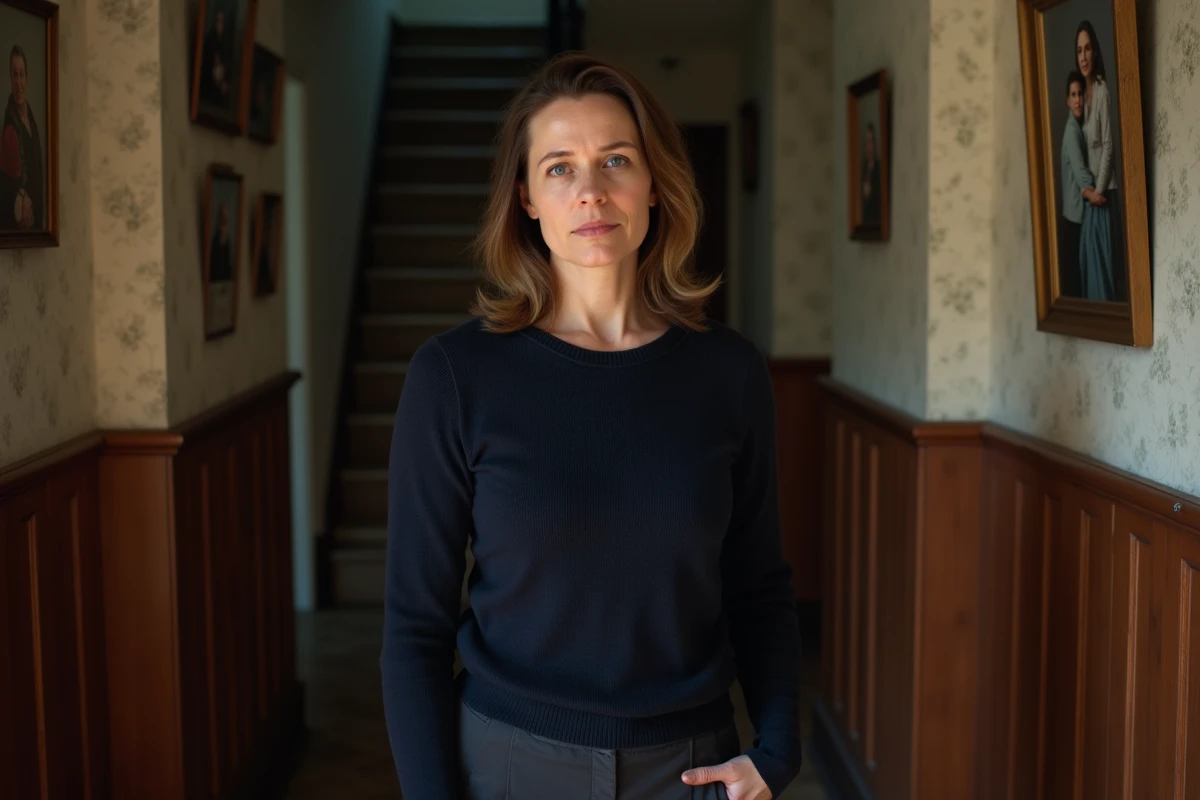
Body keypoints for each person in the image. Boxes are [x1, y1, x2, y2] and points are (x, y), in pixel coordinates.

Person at [382, 53, 802, 800]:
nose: (590, 192)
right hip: (507, 767)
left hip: (691, 769)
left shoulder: (728, 374)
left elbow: (760, 586)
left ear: (654, 185)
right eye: (558, 168)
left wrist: (778, 751)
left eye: (616, 159)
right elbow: (415, 626)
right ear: (526, 200)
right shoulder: (453, 377)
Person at [1075, 20, 1118, 301]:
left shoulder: (1102, 91)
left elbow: (1108, 146)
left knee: (1104, 272)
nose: (1083, 56)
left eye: (1088, 48)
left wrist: (1098, 193)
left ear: (1095, 52)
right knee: (1086, 264)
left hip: (1104, 196)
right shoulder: (1081, 96)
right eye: (1079, 50)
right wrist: (1088, 192)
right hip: (1091, 197)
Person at [1059, 71, 1106, 298]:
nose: (1078, 100)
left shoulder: (1078, 128)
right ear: (1068, 100)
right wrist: (1094, 192)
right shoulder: (1071, 133)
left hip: (1074, 220)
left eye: (1080, 94)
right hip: (1073, 224)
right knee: (1076, 291)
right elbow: (1080, 172)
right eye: (1073, 95)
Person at [0, 45, 44, 231]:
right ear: (10, 78)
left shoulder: (32, 120)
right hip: (22, 228)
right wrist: (20, 204)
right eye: (14, 75)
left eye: (21, 74)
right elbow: (6, 187)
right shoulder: (10, 126)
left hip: (38, 226)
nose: (18, 82)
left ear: (27, 77)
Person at [199, 6, 235, 109]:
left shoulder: (225, 44)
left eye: (222, 21)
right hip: (209, 89)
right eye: (217, 21)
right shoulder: (209, 41)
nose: (219, 25)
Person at [861, 122, 881, 225]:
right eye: (867, 143)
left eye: (871, 142)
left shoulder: (879, 169)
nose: (869, 147)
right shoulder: (862, 169)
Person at [209, 203, 233, 283]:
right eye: (223, 219)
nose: (225, 223)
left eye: (226, 220)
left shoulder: (228, 240)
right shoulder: (215, 240)